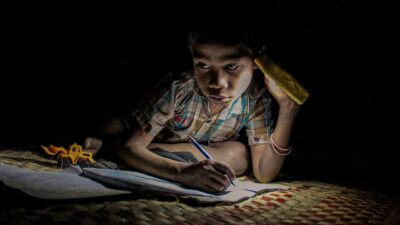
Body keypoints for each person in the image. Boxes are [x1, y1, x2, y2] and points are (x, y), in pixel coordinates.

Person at [83, 25, 300, 193]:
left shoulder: (255, 97)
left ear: (257, 62)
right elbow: (133, 145)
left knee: (238, 155)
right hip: (146, 126)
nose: (217, 82)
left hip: (188, 146)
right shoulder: (179, 87)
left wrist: (288, 108)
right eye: (203, 65)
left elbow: (264, 172)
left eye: (231, 67)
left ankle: (119, 151)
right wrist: (182, 173)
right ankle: (112, 146)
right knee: (107, 126)